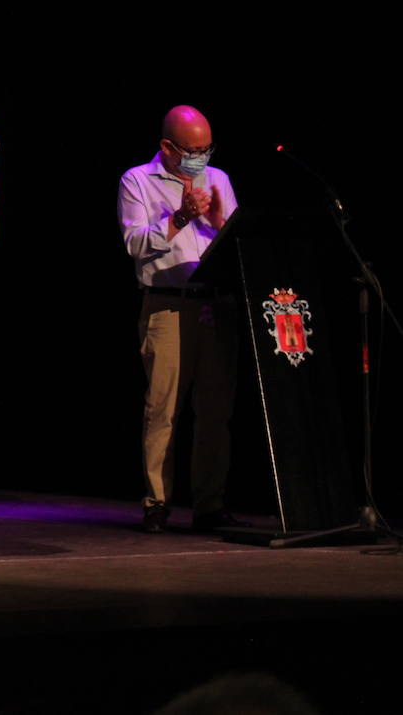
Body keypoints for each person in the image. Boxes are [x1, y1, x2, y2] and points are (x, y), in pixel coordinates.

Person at [118, 105, 240, 533]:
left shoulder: (219, 179)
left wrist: (220, 222)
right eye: (192, 150)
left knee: (215, 409)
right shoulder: (137, 180)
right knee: (163, 408)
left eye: (207, 149)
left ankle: (210, 503)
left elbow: (235, 247)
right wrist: (181, 217)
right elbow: (136, 244)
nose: (200, 158)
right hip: (167, 305)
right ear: (167, 147)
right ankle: (158, 502)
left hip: (214, 305)